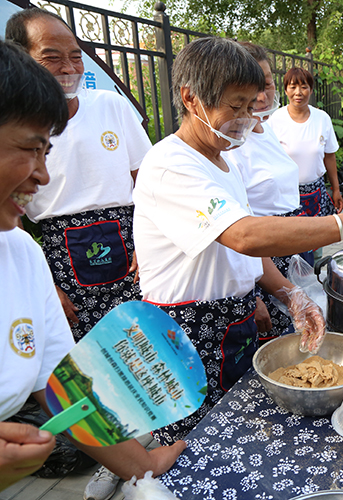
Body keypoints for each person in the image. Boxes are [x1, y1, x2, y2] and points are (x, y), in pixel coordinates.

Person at [132, 37, 343, 447]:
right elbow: (244, 235)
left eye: (251, 106)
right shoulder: (170, 165)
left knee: (241, 441)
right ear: (191, 99)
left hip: (233, 320)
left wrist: (287, 292)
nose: (247, 119)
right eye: (236, 106)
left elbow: (243, 250)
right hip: (186, 331)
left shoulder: (221, 160)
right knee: (196, 450)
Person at [0, 39, 184, 494]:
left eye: (48, 151)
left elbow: (64, 385)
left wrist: (142, 464)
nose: (43, 175)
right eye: (30, 148)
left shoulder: (21, 253)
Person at [6, 9, 148, 343]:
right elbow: (11, 219)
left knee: (142, 345)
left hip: (130, 245)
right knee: (82, 356)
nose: (69, 69)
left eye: (75, 57)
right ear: (20, 59)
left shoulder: (110, 106)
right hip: (62, 254)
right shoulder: (12, 128)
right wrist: (46, 285)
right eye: (52, 58)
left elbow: (147, 182)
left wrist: (146, 243)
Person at [226, 42, 309, 344]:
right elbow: (235, 233)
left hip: (287, 246)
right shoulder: (231, 143)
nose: (261, 97)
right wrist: (253, 294)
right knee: (270, 349)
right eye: (251, 89)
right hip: (259, 261)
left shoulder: (267, 128)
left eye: (267, 84)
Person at [266, 67, 343, 222]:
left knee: (317, 241)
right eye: (293, 87)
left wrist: (336, 189)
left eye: (303, 87)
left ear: (311, 90)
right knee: (291, 243)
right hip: (286, 195)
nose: (298, 93)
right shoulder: (275, 120)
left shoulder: (322, 118)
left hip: (317, 193)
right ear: (286, 90)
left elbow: (329, 156)